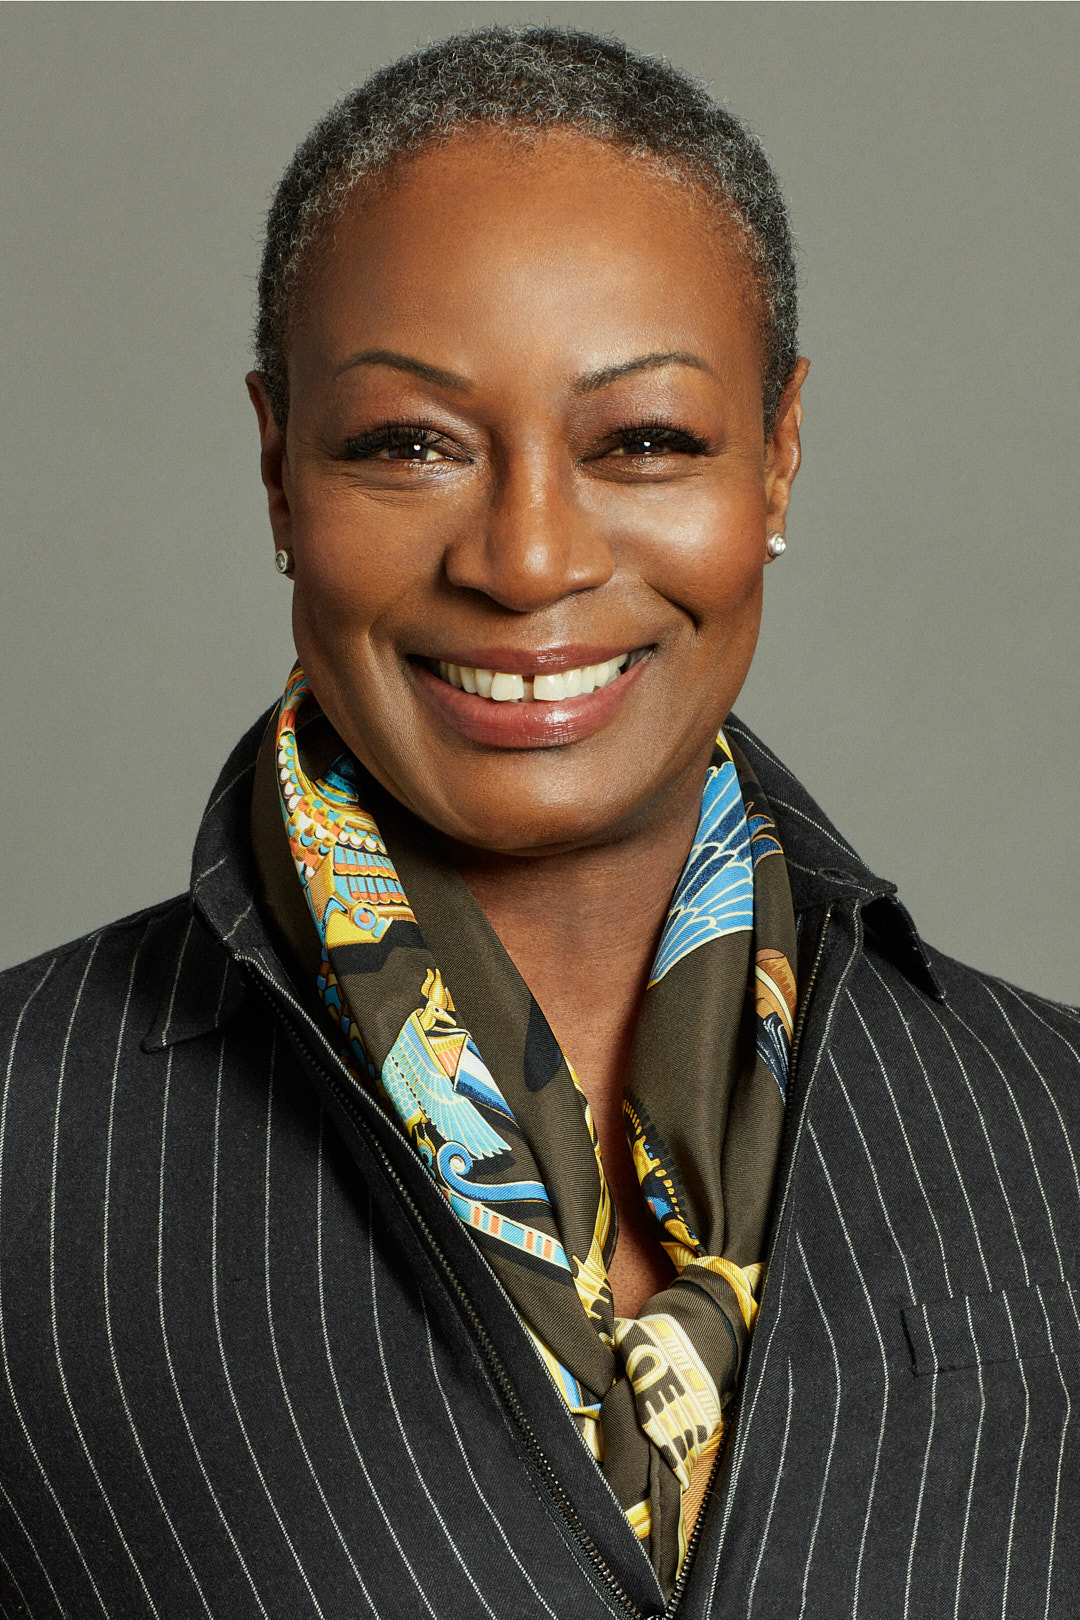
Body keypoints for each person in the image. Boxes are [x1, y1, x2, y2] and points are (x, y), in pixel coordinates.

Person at [0, 25, 1077, 1620]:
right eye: (407, 446)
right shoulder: (25, 1146)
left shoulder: (1051, 1134)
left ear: (777, 456)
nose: (523, 557)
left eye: (642, 441)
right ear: (279, 471)